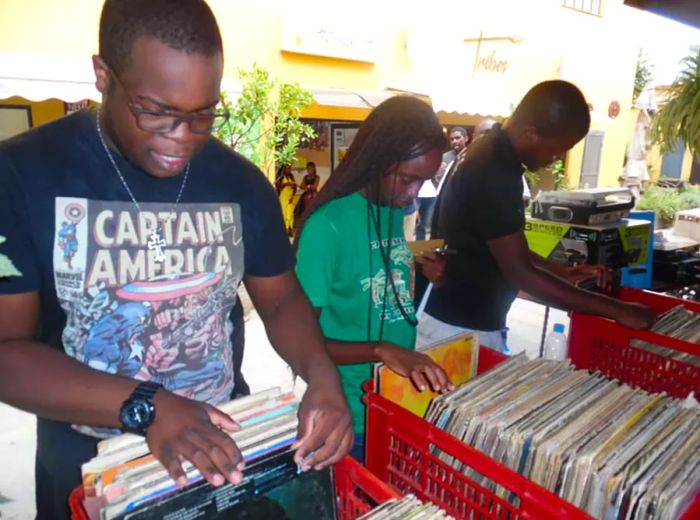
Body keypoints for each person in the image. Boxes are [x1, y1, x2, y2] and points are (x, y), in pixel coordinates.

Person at [0, 2, 352, 518]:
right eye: (155, 111)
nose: (183, 138)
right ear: (103, 76)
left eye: (204, 114)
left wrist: (322, 377)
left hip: (222, 453)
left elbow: (280, 301)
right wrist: (149, 405)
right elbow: (6, 351)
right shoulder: (21, 175)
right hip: (95, 468)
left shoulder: (240, 183)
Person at [419, 80, 656, 352]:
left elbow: (505, 246)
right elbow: (520, 273)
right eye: (556, 149)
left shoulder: (490, 150)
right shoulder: (495, 170)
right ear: (531, 133)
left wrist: (560, 272)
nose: (554, 160)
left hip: (464, 321)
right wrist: (618, 310)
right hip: (459, 329)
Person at [295, 96, 453, 462]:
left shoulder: (390, 208)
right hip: (349, 415)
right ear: (377, 161)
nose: (414, 195)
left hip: (398, 403)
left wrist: (429, 277)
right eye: (408, 179)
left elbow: (380, 293)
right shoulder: (327, 226)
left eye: (424, 182)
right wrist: (380, 349)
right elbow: (304, 342)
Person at [415, 127, 469, 240]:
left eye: (458, 138)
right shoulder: (444, 157)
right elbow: (435, 179)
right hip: (441, 199)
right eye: (452, 139)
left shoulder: (471, 156)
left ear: (466, 138)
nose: (454, 141)